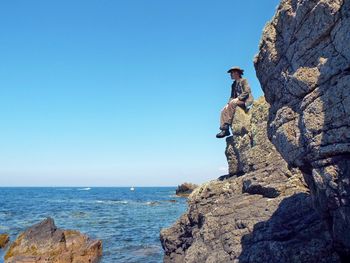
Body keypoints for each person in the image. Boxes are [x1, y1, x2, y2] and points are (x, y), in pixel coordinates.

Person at [216, 66, 253, 138]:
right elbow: (232, 96)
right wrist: (227, 104)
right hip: (237, 101)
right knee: (223, 110)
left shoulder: (244, 80)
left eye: (231, 73)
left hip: (246, 101)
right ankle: (224, 130)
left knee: (233, 103)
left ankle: (226, 125)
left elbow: (247, 91)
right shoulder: (233, 85)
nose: (230, 75)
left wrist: (238, 98)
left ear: (236, 73)